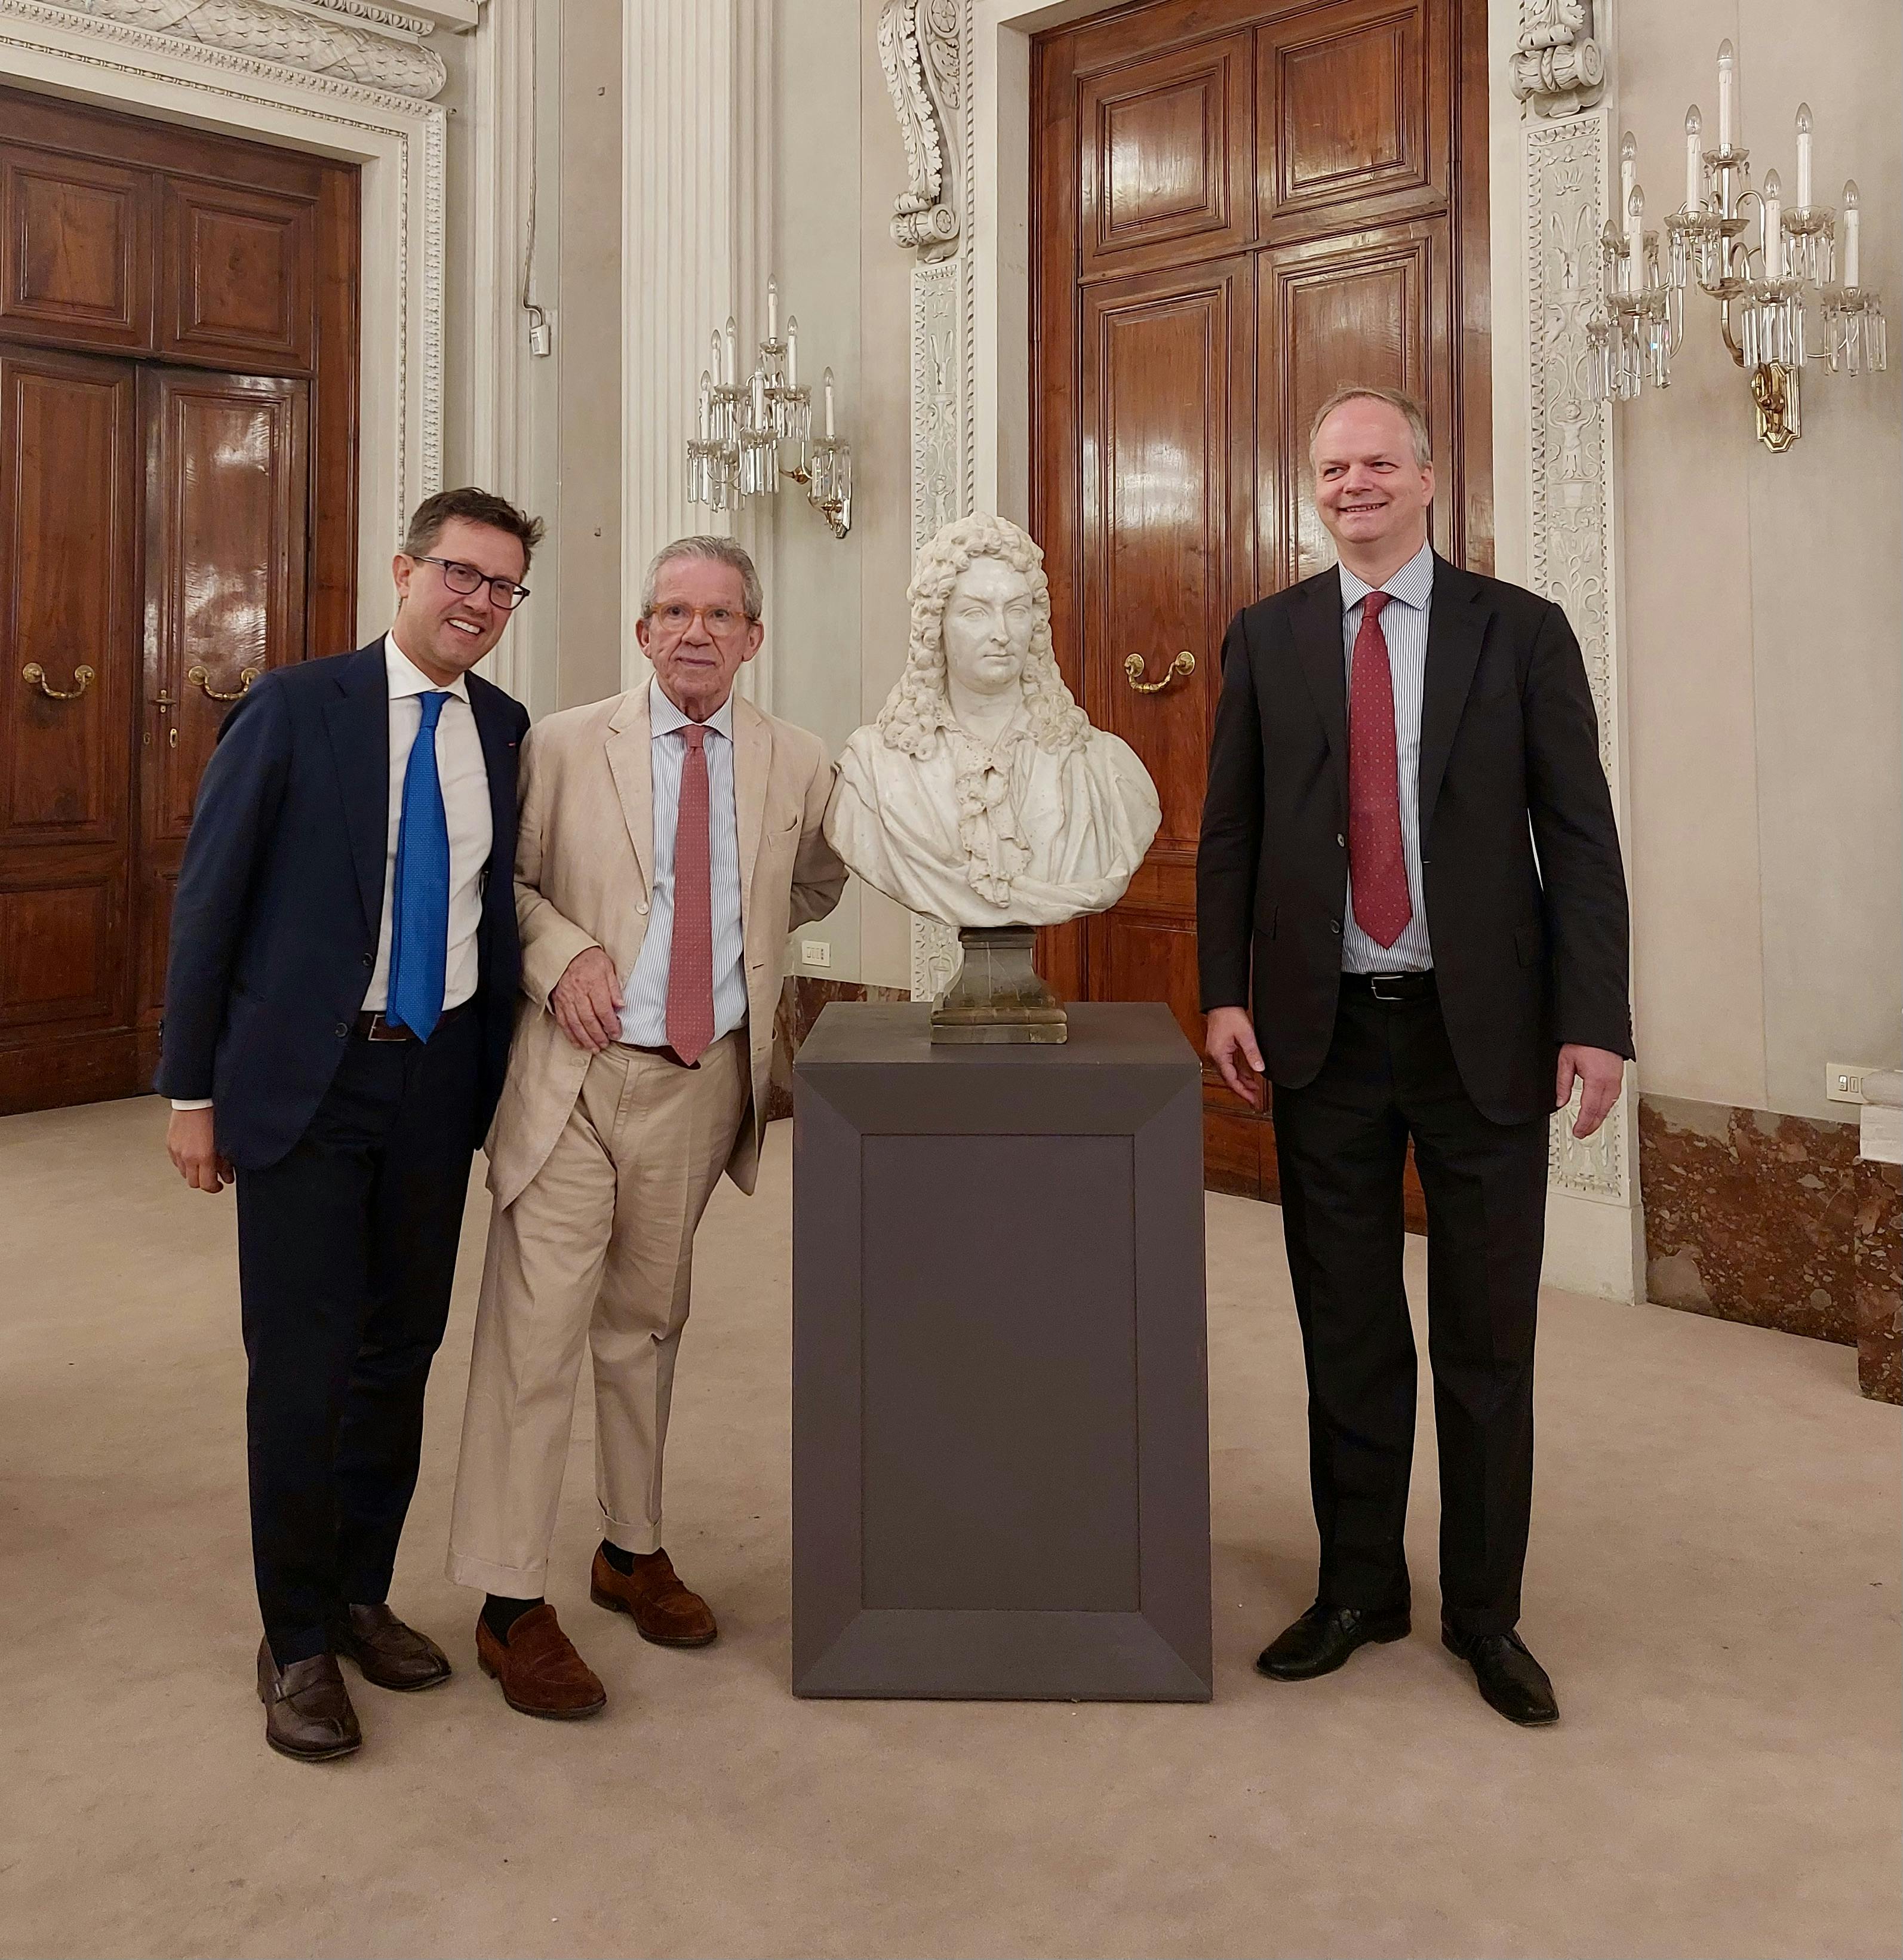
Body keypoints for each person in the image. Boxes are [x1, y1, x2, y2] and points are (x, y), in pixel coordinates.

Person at [1197, 386, 1633, 1726]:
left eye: (1378, 462)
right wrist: (1223, 995)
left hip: (1481, 1036)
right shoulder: (1266, 638)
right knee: (1348, 1331)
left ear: (1430, 480)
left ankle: (1485, 1615)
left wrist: (1594, 1018)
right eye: (1332, 467)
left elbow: (1580, 836)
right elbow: (1234, 835)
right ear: (1313, 487)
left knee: (1487, 1340)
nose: (1354, 485)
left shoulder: (1523, 632)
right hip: (1324, 1033)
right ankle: (1357, 1589)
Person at [156, 487, 540, 1761]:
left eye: (501, 588)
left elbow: (495, 906)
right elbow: (209, 907)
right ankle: (298, 1637)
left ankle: (364, 1591)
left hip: (435, 1084)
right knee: (305, 1363)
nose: (477, 603)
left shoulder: (503, 728)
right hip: (304, 1089)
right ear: (403, 570)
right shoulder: (291, 709)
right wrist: (191, 1094)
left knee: (401, 1351)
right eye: (460, 575)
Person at [446, 536, 846, 1718]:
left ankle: (631, 1550)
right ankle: (510, 1602)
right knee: (537, 1331)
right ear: (640, 632)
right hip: (571, 1076)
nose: (693, 632)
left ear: (753, 639)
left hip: (698, 1077)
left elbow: (812, 884)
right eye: (670, 610)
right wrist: (563, 953)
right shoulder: (563, 745)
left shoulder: (800, 763)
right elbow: (499, 888)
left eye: (719, 614)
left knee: (645, 1327)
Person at [827, 513, 1159, 928]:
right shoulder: (874, 768)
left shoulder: (1104, 767)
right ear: (936, 628)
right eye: (975, 613)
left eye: (1016, 611)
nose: (1001, 632)